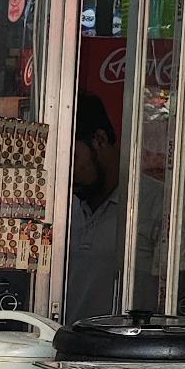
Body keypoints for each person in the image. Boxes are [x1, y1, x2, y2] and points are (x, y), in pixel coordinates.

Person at [63, 93, 163, 321]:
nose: (66, 170)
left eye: (72, 157)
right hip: (61, 338)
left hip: (127, 341)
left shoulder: (158, 205)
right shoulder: (61, 206)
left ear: (99, 140)